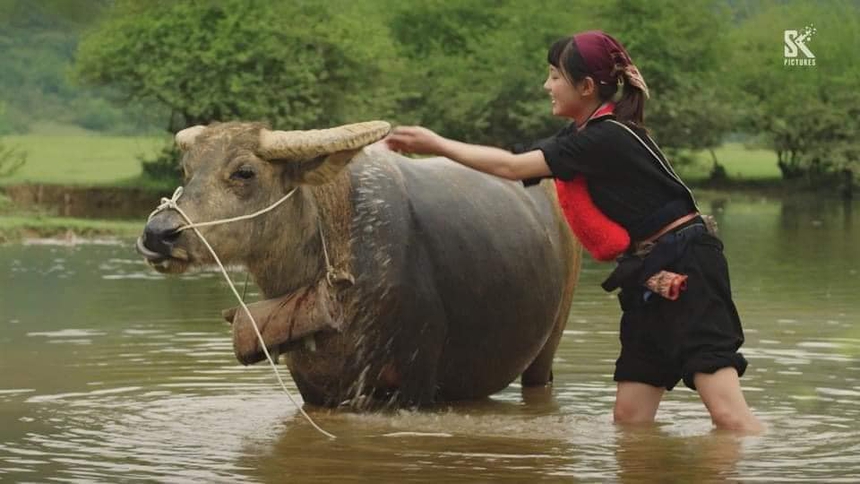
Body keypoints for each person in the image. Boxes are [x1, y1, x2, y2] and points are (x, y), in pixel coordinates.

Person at [384, 31, 763, 433]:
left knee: (728, 415)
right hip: (646, 273)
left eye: (554, 76)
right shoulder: (582, 135)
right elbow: (515, 163)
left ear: (585, 87)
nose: (547, 86)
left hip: (688, 268)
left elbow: (512, 169)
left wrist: (436, 143)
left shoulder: (605, 138)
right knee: (630, 421)